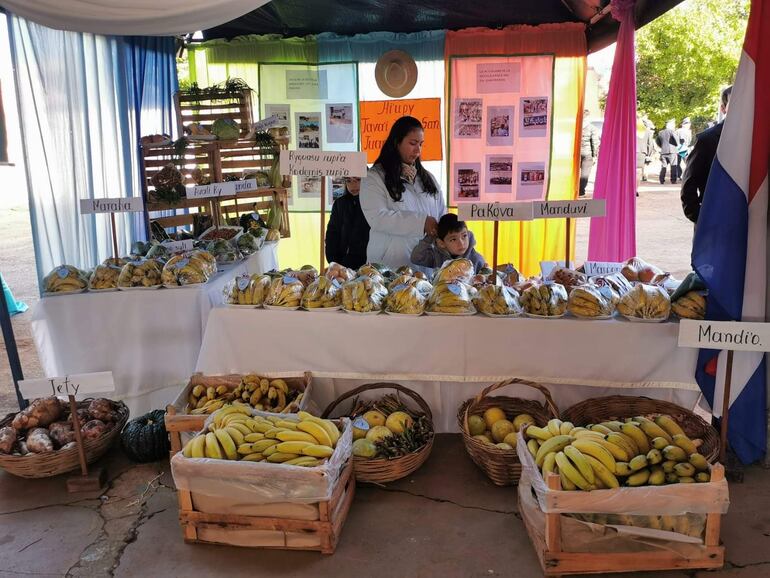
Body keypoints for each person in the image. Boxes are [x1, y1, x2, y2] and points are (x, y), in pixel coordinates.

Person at [360, 116, 446, 270]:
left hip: (424, 267)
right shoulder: (375, 177)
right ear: (396, 142)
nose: (418, 150)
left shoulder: (428, 179)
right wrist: (422, 222)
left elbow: (442, 214)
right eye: (412, 143)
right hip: (389, 267)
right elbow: (378, 218)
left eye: (421, 144)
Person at [681, 86, 732, 224]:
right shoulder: (707, 140)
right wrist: (699, 217)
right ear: (723, 108)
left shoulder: (758, 139)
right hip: (714, 222)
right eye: (734, 103)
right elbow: (689, 183)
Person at [410, 213, 486, 273]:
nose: (461, 243)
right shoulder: (437, 257)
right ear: (441, 243)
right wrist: (431, 237)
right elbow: (416, 258)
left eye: (464, 236)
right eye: (453, 239)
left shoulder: (476, 260)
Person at [324, 177, 369, 269]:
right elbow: (332, 233)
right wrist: (333, 259)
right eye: (348, 181)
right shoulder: (340, 203)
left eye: (358, 179)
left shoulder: (374, 203)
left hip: (369, 262)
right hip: (343, 262)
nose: (353, 185)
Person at [579, 109, 598, 197]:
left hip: (576, 153)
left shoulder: (576, 126)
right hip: (587, 153)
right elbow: (595, 143)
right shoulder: (592, 128)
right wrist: (594, 156)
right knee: (585, 174)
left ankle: (574, 190)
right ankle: (581, 192)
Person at [656, 119, 680, 184]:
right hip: (672, 151)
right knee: (673, 165)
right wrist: (677, 145)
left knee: (664, 166)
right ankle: (673, 180)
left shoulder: (660, 132)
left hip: (663, 151)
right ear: (671, 125)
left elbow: (657, 141)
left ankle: (661, 180)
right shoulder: (672, 131)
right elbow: (677, 140)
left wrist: (662, 146)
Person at [674, 117, 693, 182]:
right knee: (687, 163)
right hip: (685, 147)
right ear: (685, 124)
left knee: (678, 163)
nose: (689, 125)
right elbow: (690, 141)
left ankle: (679, 175)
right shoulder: (688, 131)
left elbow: (674, 140)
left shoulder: (677, 131)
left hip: (678, 147)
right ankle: (685, 175)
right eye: (688, 124)